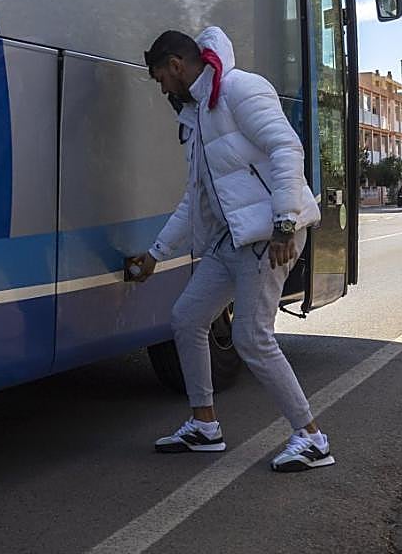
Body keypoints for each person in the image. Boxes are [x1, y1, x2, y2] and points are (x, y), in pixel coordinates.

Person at [127, 26, 331, 472]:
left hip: (269, 236)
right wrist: (156, 253)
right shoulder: (198, 114)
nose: (161, 87)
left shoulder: (242, 88)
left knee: (251, 338)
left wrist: (284, 222)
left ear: (177, 66)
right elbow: (195, 195)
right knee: (187, 318)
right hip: (231, 239)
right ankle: (204, 425)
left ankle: (312, 438)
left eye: (161, 77)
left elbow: (286, 148)